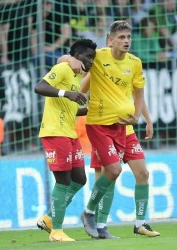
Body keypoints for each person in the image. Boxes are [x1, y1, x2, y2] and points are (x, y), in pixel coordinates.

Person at [57, 20, 159, 239]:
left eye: (129, 37)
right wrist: (70, 61)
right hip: (100, 125)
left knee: (142, 173)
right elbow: (71, 62)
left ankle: (139, 223)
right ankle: (91, 215)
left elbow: (138, 93)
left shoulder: (135, 63)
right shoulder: (99, 57)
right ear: (110, 40)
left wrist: (141, 117)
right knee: (110, 172)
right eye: (121, 37)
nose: (126, 41)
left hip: (125, 127)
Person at [34, 38, 97, 242]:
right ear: (76, 56)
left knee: (80, 178)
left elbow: (68, 105)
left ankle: (50, 218)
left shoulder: (76, 75)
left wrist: (86, 110)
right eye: (88, 57)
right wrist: (66, 93)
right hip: (55, 132)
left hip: (69, 133)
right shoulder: (63, 67)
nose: (91, 62)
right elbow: (40, 87)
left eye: (93, 58)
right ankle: (57, 232)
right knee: (63, 181)